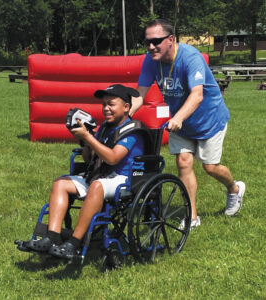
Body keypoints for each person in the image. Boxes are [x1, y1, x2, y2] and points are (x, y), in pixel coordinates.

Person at [130, 19, 245, 229]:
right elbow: (141, 94)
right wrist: (126, 113)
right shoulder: (150, 60)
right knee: (183, 162)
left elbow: (197, 95)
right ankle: (192, 216)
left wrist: (178, 118)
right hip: (180, 122)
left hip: (208, 119)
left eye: (156, 41)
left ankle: (234, 188)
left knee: (210, 167)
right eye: (147, 42)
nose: (150, 46)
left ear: (170, 40)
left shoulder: (190, 57)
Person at [27, 84, 144, 257]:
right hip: (101, 174)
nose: (106, 109)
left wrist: (89, 136)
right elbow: (90, 159)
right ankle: (51, 237)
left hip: (123, 179)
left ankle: (74, 243)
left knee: (97, 186)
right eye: (104, 104)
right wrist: (85, 140)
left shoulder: (133, 131)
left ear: (126, 107)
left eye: (111, 104)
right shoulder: (105, 127)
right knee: (60, 183)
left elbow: (112, 158)